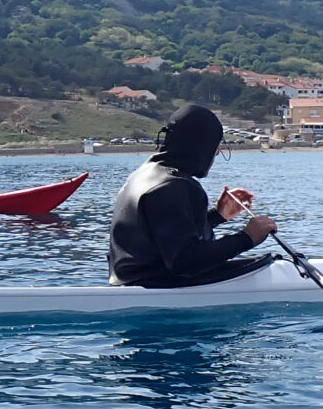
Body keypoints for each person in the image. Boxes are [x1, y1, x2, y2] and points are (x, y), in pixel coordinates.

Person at [109, 104, 277, 287]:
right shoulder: (174, 186)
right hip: (158, 288)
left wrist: (216, 216)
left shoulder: (143, 175)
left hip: (129, 282)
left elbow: (162, 236)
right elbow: (185, 262)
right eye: (216, 147)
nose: (216, 154)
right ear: (203, 146)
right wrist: (247, 237)